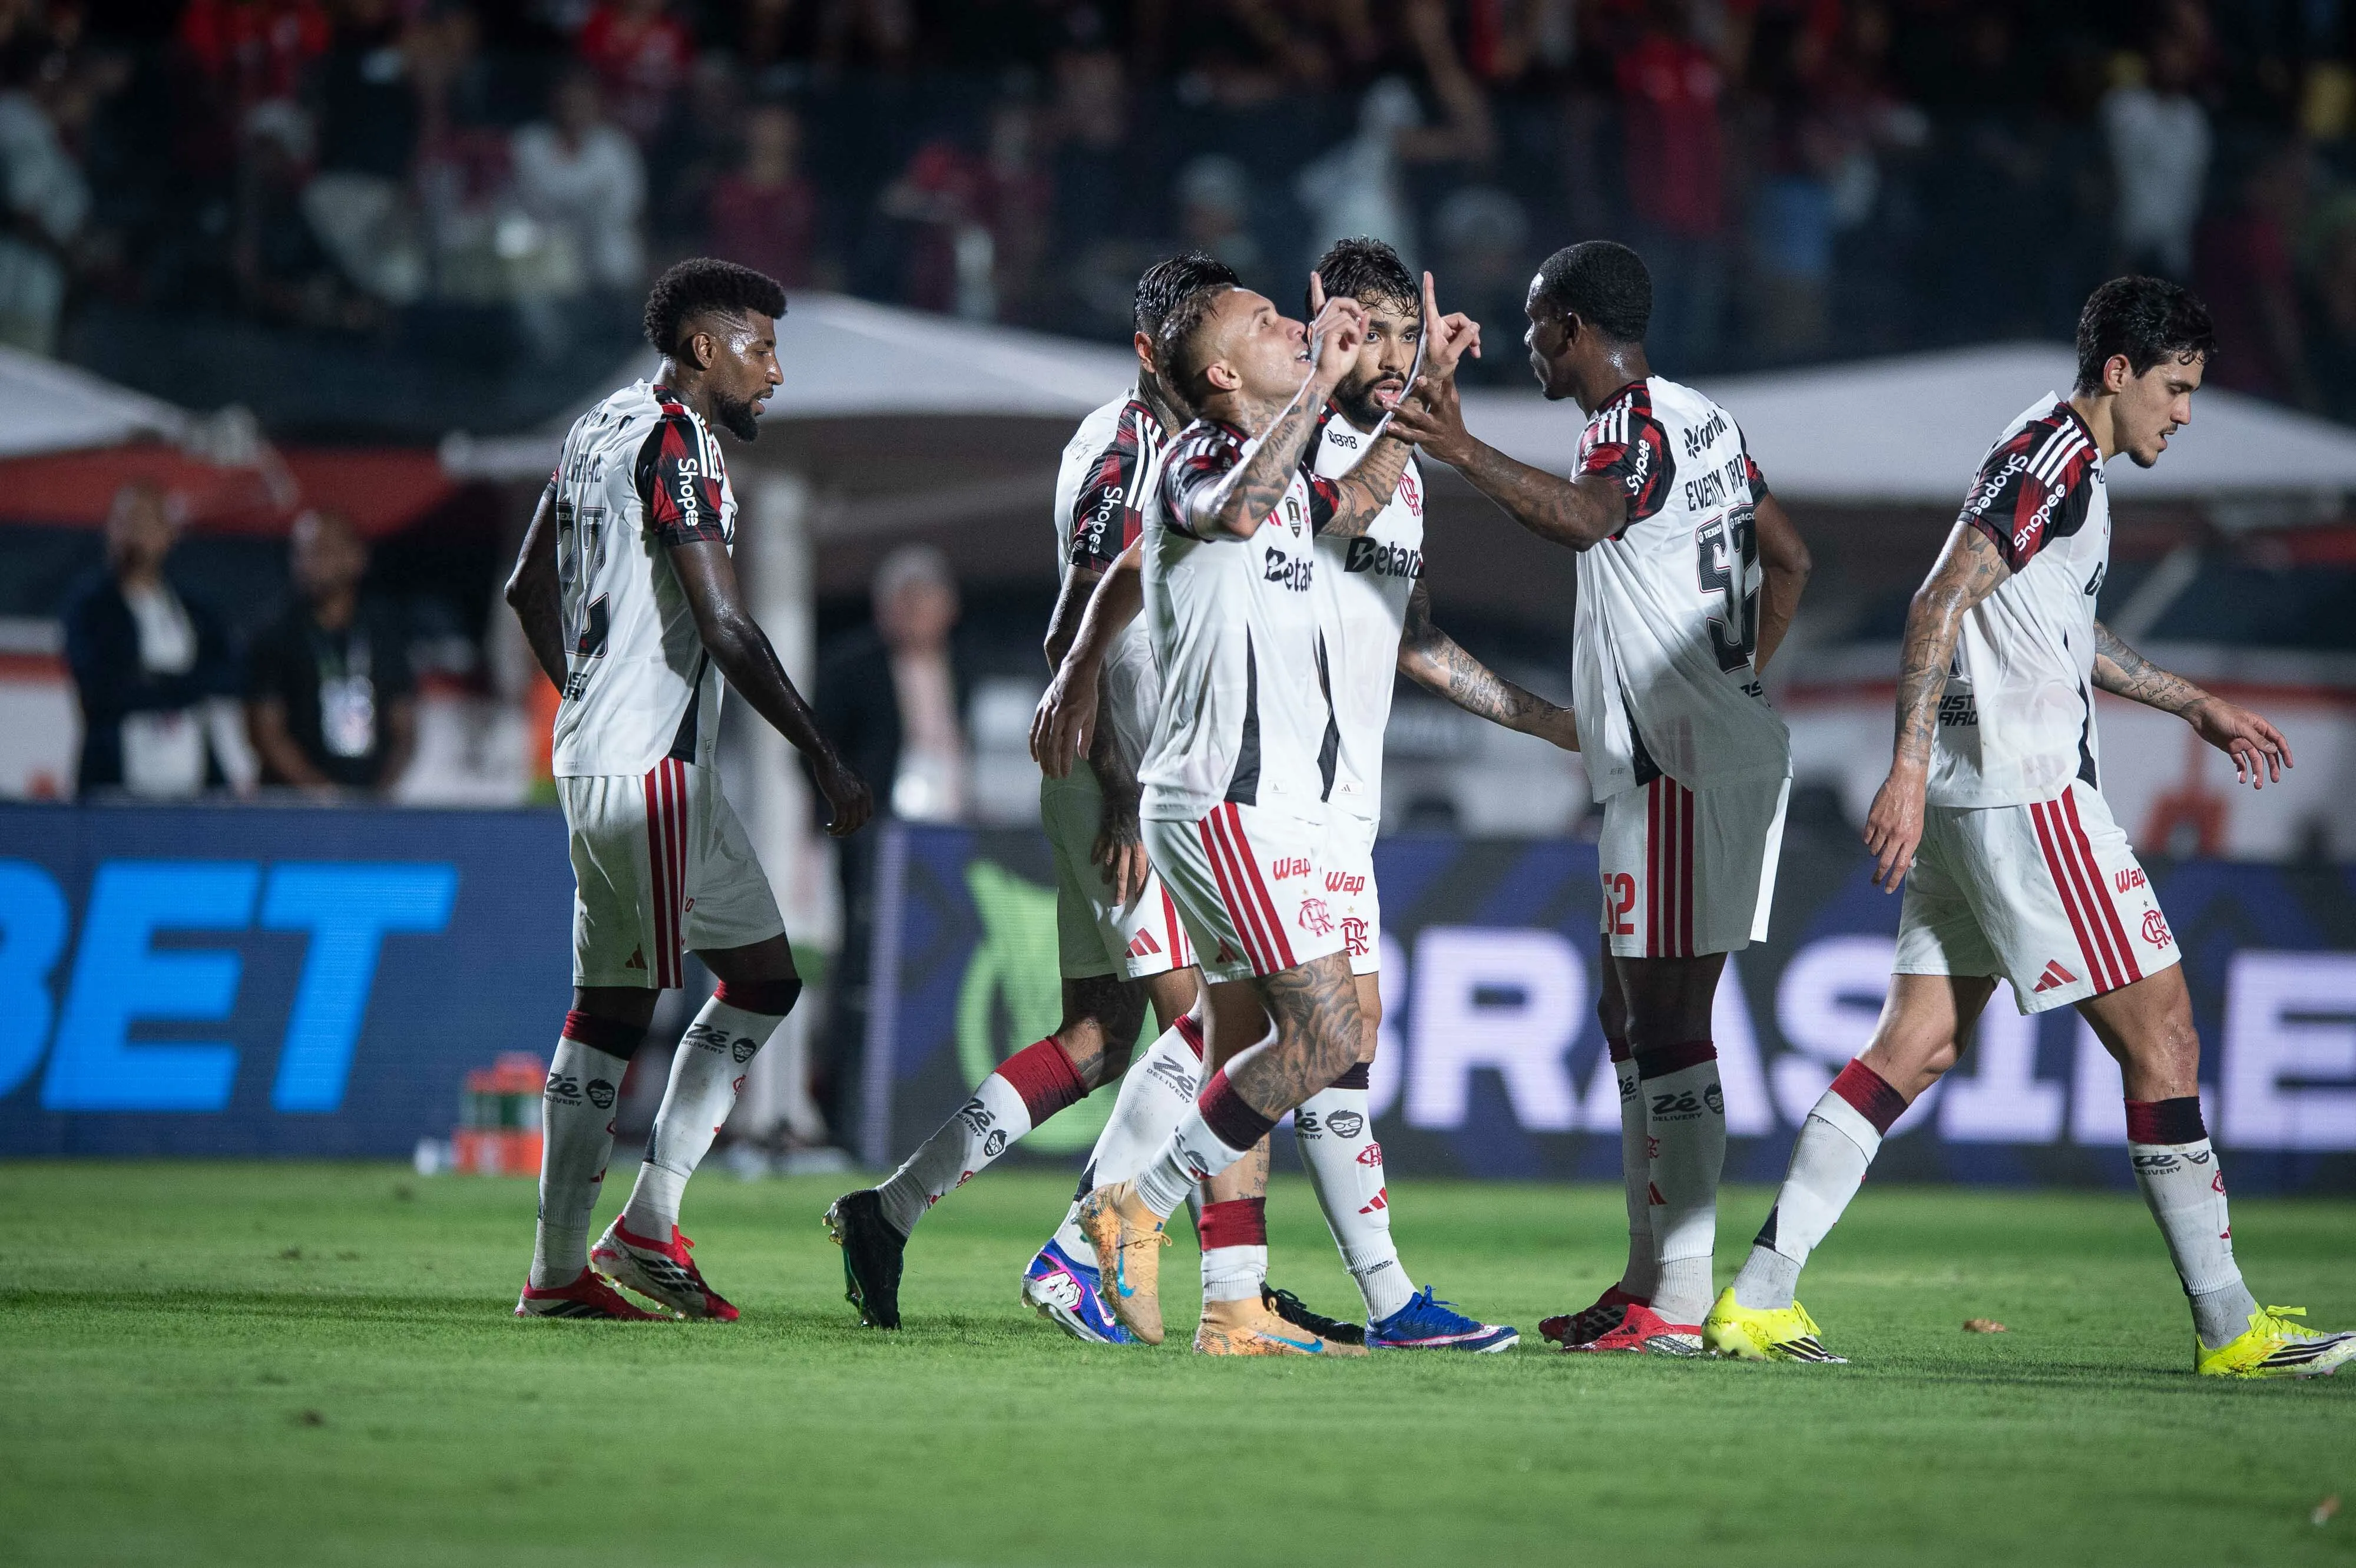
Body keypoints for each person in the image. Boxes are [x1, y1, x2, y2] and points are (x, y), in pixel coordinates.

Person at [1703, 278, 2356, 1380]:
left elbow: (2051, 623)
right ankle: (2231, 1324)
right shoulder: (2055, 458)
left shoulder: (2051, 458)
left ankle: (1758, 1296)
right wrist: (1907, 767)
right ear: (2119, 372)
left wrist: (2189, 700)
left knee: (1916, 1047)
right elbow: (1937, 600)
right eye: (2176, 388)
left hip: (1977, 798)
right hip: (2028, 793)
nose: (2183, 413)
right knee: (2166, 1038)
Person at [1042, 241, 1576, 1355]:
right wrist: (1079, 669)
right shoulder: (1202, 452)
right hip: (1231, 798)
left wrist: (1426, 398)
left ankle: (1235, 1302)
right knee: (1325, 1031)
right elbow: (1227, 515)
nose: (1305, 334)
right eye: (1278, 326)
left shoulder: (1306, 473)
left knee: (1253, 1034)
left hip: (1292, 801)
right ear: (1222, 372)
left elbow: (1354, 506)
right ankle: (1129, 1208)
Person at [1388, 239, 1812, 1355]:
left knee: (1667, 1023)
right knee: (1631, 1015)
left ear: (1570, 327)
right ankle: (1645, 1281)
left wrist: (1460, 448)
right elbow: (1791, 558)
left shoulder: (1622, 426)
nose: (1529, 344)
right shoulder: (1706, 419)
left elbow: (1587, 518)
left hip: (1680, 761)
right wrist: (1737, 680)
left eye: (1536, 324)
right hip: (1692, 752)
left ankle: (1677, 1302)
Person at [824, 254, 1233, 1339]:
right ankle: (1101, 1258)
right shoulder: (1126, 454)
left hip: (1118, 776)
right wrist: (1123, 793)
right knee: (1208, 1032)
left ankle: (889, 1210)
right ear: (1153, 352)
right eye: (1205, 341)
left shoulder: (1168, 446)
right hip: (1127, 785)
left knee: (1096, 1036)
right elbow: (1072, 635)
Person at [502, 257, 872, 1321]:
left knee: (690, 988)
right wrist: (823, 754)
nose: (775, 373)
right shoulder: (680, 442)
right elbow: (726, 625)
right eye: (762, 349)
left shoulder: (596, 427)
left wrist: (587, 698)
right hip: (653, 771)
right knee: (679, 995)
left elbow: (527, 587)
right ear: (705, 349)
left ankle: (596, 1249)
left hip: (600, 758)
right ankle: (613, 1243)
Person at [809, 544, 971, 1147]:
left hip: (950, 840)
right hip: (876, 844)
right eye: (903, 604)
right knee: (864, 969)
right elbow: (817, 751)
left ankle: (934, 1105)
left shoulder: (965, 666)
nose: (913, 616)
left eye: (924, 603)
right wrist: (840, 819)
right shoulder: (851, 666)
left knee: (944, 964)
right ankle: (848, 1114)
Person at [62, 482, 240, 799]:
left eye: (144, 522)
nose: (133, 533)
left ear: (169, 533)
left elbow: (227, 675)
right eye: (124, 521)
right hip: (115, 785)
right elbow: (101, 687)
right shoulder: (91, 607)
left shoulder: (194, 610)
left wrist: (153, 682)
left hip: (193, 785)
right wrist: (182, 686)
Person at [245, 508, 417, 796]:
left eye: (323, 551)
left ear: (357, 557)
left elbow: (404, 728)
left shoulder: (383, 634)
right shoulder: (276, 636)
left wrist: (376, 798)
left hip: (369, 803)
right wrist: (323, 794)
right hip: (294, 806)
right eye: (301, 554)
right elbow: (266, 733)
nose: (310, 564)